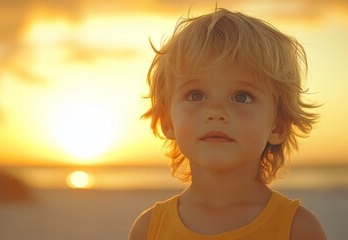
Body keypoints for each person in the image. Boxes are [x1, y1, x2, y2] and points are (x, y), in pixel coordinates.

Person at [128, 8, 326, 240]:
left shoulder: (297, 229)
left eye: (241, 96)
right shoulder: (149, 229)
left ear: (277, 126)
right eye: (196, 95)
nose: (216, 112)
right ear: (167, 120)